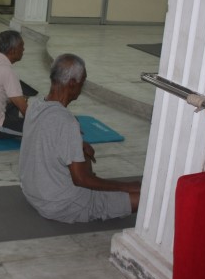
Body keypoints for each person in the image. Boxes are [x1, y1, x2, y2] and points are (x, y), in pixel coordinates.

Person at [19, 54, 140, 223]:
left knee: (84, 155)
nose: (82, 88)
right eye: (83, 82)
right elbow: (81, 180)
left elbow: (46, 136)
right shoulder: (66, 121)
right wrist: (125, 186)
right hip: (61, 204)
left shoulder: (34, 105)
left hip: (32, 193)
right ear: (72, 83)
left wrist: (79, 144)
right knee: (143, 198)